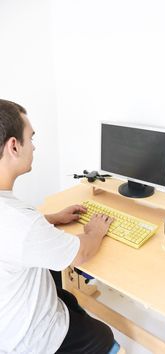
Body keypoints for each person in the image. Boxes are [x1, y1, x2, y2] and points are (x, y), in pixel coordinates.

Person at [0, 99, 116, 353]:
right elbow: (82, 254)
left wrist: (51, 218)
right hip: (30, 341)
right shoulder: (21, 224)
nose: (34, 146)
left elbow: (12, 238)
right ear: (14, 146)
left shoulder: (13, 216)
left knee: (68, 296)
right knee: (105, 335)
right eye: (30, 138)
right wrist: (95, 231)